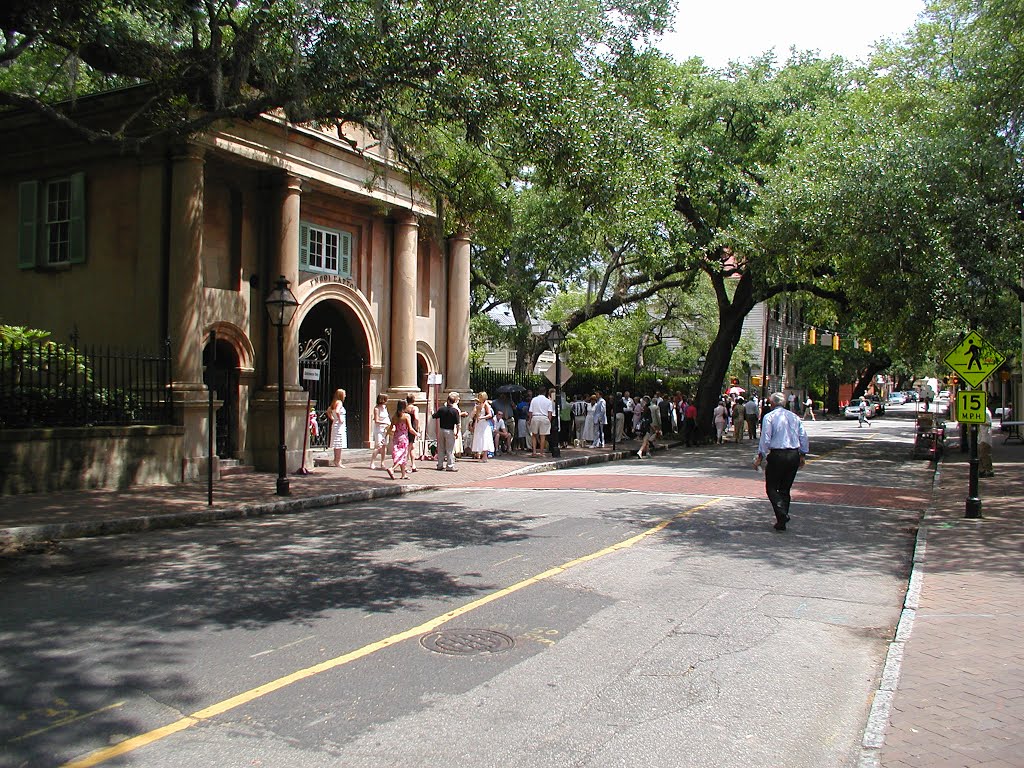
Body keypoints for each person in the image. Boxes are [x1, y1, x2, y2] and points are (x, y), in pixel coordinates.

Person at [752, 392, 810, 532]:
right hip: (793, 454)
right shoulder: (794, 417)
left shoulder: (769, 417)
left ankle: (781, 513)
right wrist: (803, 454)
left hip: (778, 454)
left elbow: (765, 438)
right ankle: (781, 520)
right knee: (785, 489)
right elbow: (803, 436)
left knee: (771, 487)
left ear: (772, 403)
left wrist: (761, 455)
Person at [384, 399, 417, 480]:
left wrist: (385, 436)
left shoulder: (394, 416)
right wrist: (417, 433)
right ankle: (392, 468)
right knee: (403, 455)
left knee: (400, 454)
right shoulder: (406, 416)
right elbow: (410, 429)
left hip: (396, 437)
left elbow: (390, 428)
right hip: (403, 438)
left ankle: (403, 474)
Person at [432, 393, 461, 471]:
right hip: (450, 431)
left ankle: (440, 464)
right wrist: (457, 432)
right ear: (454, 401)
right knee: (450, 449)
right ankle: (450, 465)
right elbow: (458, 424)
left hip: (441, 430)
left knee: (441, 448)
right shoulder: (455, 411)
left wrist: (431, 411)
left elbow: (434, 416)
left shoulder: (442, 409)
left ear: (447, 400)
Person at [528, 388, 554, 456]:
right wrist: (549, 421)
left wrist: (530, 420)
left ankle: (534, 452)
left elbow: (530, 411)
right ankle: (541, 452)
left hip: (535, 416)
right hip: (544, 417)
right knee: (543, 436)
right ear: (545, 392)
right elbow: (550, 413)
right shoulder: (548, 401)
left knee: (534, 435)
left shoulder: (534, 399)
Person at [470, 391, 495, 461]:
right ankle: (479, 453)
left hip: (484, 423)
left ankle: (485, 456)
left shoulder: (486, 404)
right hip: (479, 423)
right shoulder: (478, 404)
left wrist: (482, 417)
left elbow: (490, 414)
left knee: (485, 438)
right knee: (479, 438)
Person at [369, 394, 391, 470]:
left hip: (386, 429)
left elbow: (387, 418)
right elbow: (376, 420)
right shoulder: (376, 409)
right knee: (378, 446)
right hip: (379, 429)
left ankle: (382, 462)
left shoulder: (385, 408)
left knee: (384, 445)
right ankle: (372, 462)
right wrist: (385, 423)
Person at [328, 388, 347, 467]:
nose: (345, 396)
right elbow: (337, 411)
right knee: (339, 443)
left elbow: (328, 411)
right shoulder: (339, 402)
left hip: (336, 424)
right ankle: (338, 461)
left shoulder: (334, 402)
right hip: (339, 425)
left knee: (337, 444)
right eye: (344, 394)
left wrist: (333, 418)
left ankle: (336, 460)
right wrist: (339, 419)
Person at [405, 393, 420, 472]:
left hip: (405, 428)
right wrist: (417, 427)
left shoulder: (405, 408)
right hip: (412, 427)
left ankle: (413, 464)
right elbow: (416, 418)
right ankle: (406, 466)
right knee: (409, 447)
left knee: (412, 447)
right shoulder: (414, 408)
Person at [979, 407, 994, 477]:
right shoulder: (981, 412)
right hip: (981, 437)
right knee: (981, 455)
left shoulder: (986, 412)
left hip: (985, 437)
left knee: (985, 454)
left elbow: (989, 423)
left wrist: (979, 421)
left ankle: (989, 470)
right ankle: (983, 470)